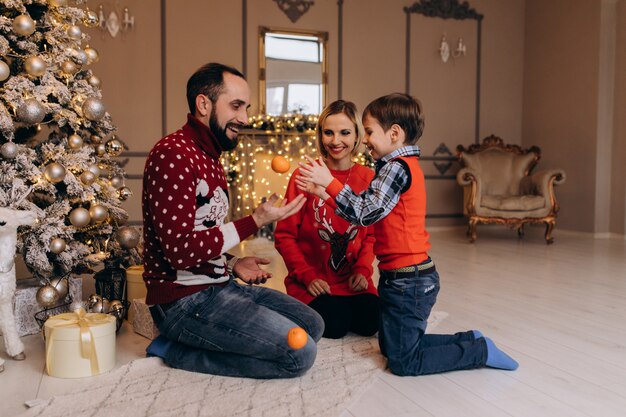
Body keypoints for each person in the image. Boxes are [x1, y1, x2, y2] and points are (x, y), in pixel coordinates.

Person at [297, 93, 518, 376]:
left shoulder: (396, 169)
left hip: (410, 281)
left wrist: (329, 183)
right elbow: (364, 208)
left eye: (368, 131)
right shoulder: (394, 167)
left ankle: (479, 351)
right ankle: (468, 339)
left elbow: (365, 212)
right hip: (397, 278)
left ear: (394, 133)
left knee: (404, 362)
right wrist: (325, 193)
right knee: (392, 348)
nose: (364, 140)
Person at [141, 62, 324, 379]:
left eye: (247, 107)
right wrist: (254, 221)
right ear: (203, 104)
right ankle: (176, 350)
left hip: (220, 286)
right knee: (299, 355)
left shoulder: (210, 157)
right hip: (183, 303)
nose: (245, 118)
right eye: (236, 106)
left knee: (313, 324)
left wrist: (230, 263)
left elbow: (199, 234)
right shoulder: (172, 154)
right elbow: (178, 251)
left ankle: (219, 335)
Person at [274, 100, 379, 339]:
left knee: (371, 322)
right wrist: (307, 275)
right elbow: (284, 235)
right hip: (313, 281)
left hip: (353, 281)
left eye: (344, 133)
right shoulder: (304, 175)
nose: (335, 141)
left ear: (356, 136)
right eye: (328, 132)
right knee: (334, 325)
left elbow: (371, 234)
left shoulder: (368, 177)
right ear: (320, 135)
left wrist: (363, 270)